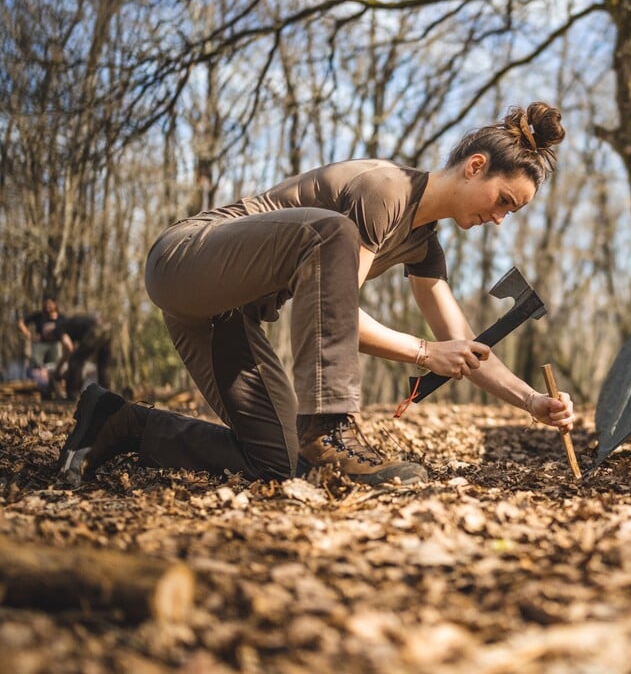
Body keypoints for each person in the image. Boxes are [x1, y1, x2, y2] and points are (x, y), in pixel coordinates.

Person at [58, 103, 576, 486]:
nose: (499, 218)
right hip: (185, 258)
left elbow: (463, 343)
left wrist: (533, 401)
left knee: (277, 462)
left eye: (513, 212)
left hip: (224, 314)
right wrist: (422, 353)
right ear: (476, 166)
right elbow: (342, 311)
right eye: (504, 201)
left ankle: (121, 422)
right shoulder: (385, 189)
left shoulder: (424, 246)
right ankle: (329, 428)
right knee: (333, 235)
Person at [55, 313, 113, 397]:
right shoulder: (72, 324)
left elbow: (69, 348)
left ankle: (73, 394)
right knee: (103, 365)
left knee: (75, 361)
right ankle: (106, 395)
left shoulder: (59, 328)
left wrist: (58, 370)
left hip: (95, 330)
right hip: (107, 329)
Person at [18, 292, 64, 396]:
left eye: (49, 303)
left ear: (55, 304)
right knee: (38, 369)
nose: (47, 306)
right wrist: (29, 335)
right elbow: (21, 322)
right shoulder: (39, 316)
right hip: (39, 345)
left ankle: (56, 392)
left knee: (54, 369)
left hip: (55, 346)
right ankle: (43, 392)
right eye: (45, 303)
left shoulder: (62, 318)